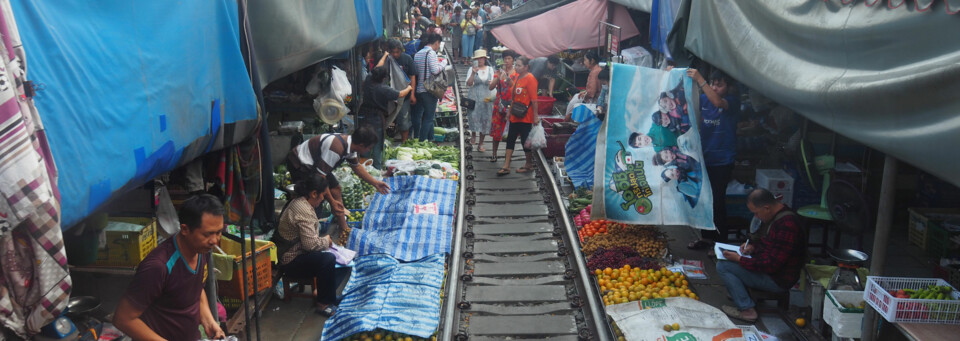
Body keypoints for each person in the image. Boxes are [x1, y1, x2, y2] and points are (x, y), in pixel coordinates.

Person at [113, 194, 225, 341]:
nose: (215, 241)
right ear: (185, 229)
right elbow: (123, 319)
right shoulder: (158, 267)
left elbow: (196, 289)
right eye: (208, 234)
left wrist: (209, 321)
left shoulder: (201, 250)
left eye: (218, 232)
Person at [718, 188, 805, 322]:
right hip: (770, 270)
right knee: (730, 260)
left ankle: (747, 310)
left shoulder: (787, 225)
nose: (757, 217)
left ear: (766, 208)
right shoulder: (776, 215)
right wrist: (752, 247)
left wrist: (740, 259)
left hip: (777, 280)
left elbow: (771, 265)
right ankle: (739, 292)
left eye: (757, 213)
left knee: (723, 266)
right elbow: (768, 244)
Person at [285, 126, 390, 237]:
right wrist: (332, 202)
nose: (369, 151)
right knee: (315, 199)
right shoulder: (336, 148)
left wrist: (376, 183)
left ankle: (344, 229)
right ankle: (311, 236)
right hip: (300, 164)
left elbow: (356, 167)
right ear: (361, 145)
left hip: (317, 166)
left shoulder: (350, 145)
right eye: (369, 148)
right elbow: (321, 178)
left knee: (336, 189)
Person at [686, 68, 741, 249]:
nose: (715, 88)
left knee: (717, 201)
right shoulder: (702, 100)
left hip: (722, 159)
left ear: (729, 88)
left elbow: (717, 101)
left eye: (720, 85)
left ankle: (720, 244)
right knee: (703, 200)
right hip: (703, 157)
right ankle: (706, 238)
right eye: (713, 84)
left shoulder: (732, 102)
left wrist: (700, 79)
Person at [275, 174, 339, 316]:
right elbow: (310, 245)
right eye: (322, 195)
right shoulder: (302, 209)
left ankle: (328, 296)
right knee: (328, 259)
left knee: (327, 257)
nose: (323, 198)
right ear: (314, 193)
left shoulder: (301, 202)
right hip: (290, 260)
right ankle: (323, 304)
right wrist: (326, 241)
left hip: (298, 251)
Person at [359, 66, 414, 169]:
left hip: (364, 117)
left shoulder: (368, 81)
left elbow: (377, 67)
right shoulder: (384, 89)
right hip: (376, 119)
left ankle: (363, 168)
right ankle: (377, 169)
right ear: (384, 78)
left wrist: (384, 55)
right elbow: (401, 94)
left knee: (365, 141)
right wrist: (409, 88)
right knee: (377, 144)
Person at [497, 56, 540, 176]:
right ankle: (506, 165)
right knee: (510, 138)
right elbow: (514, 97)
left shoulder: (530, 79)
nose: (516, 67)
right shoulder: (517, 77)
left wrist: (535, 116)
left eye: (519, 65)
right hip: (515, 114)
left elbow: (534, 100)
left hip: (526, 115)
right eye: (516, 65)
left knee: (525, 141)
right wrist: (509, 112)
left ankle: (528, 164)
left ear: (526, 67)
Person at [377, 39, 418, 143]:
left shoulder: (407, 59)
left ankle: (404, 142)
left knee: (404, 120)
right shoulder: (386, 60)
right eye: (393, 52)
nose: (395, 54)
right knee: (386, 119)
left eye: (397, 52)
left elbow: (412, 77)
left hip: (404, 97)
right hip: (388, 97)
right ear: (389, 51)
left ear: (401, 50)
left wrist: (412, 94)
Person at [411, 32, 449, 141]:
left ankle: (431, 139)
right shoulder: (431, 53)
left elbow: (417, 71)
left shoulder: (418, 53)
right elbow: (435, 70)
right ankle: (422, 141)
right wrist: (443, 63)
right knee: (428, 118)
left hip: (420, 89)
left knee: (427, 116)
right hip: (429, 90)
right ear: (436, 43)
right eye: (439, 44)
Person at [488, 50, 518, 163]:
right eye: (505, 58)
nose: (507, 61)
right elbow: (491, 87)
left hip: (512, 105)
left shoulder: (516, 73)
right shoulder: (499, 72)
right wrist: (498, 76)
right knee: (496, 130)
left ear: (513, 60)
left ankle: (507, 157)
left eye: (509, 58)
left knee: (511, 132)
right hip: (499, 105)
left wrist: (508, 78)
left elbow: (514, 88)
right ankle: (494, 154)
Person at [466, 49, 496, 151]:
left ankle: (481, 143)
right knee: (474, 117)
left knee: (485, 119)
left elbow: (493, 84)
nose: (480, 60)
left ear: (484, 59)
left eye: (481, 58)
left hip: (486, 98)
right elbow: (469, 84)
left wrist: (492, 82)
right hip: (474, 97)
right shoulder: (472, 69)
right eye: (478, 58)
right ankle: (473, 134)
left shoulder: (490, 69)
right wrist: (473, 73)